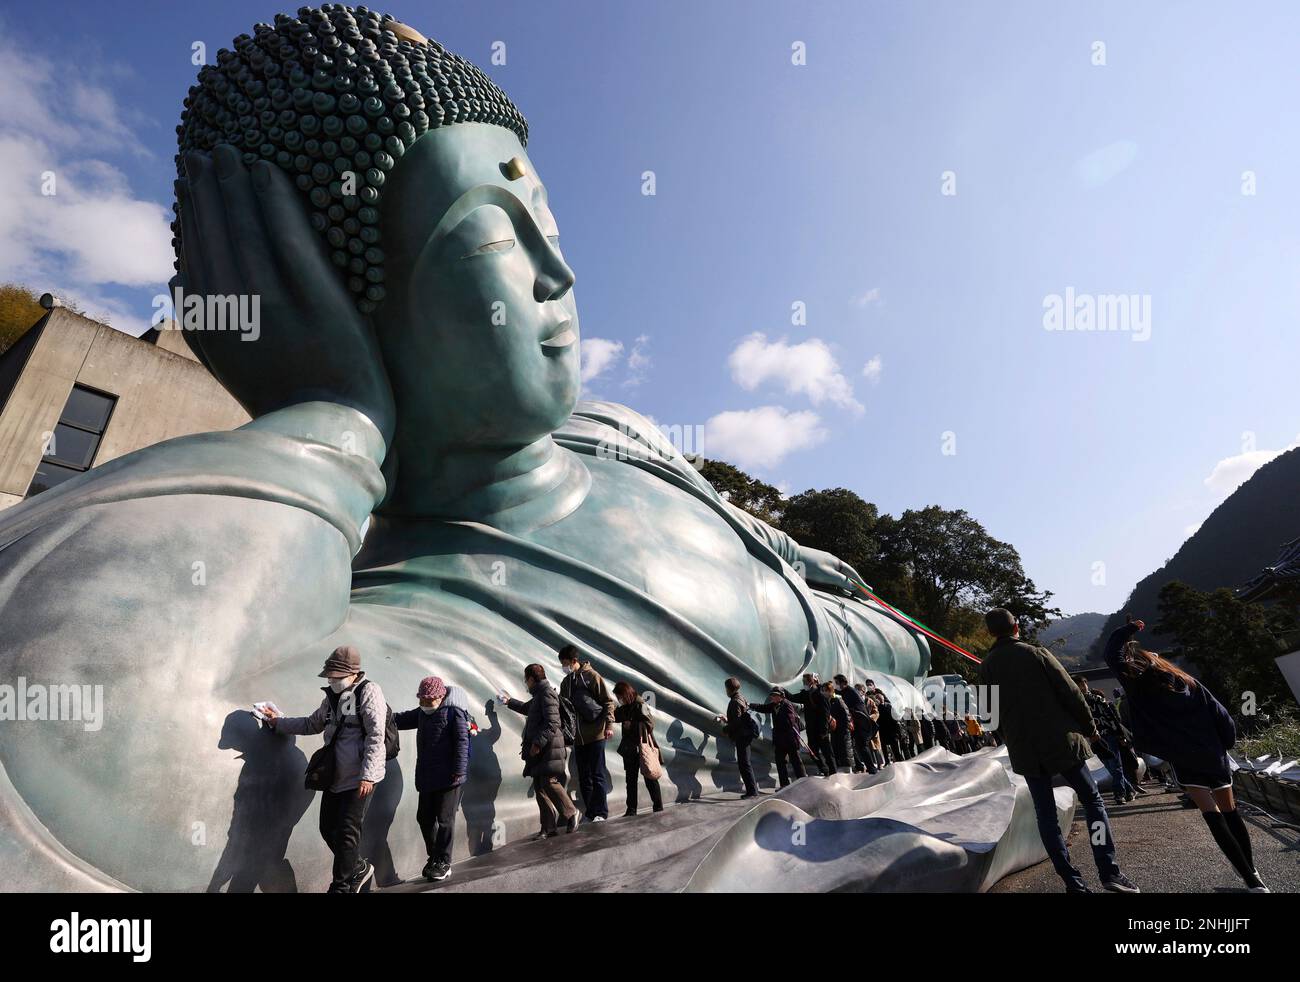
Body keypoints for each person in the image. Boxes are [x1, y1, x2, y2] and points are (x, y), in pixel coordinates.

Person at [979, 608, 1139, 894]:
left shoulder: (986, 667)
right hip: (1062, 742)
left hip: (1025, 752)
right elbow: (1072, 693)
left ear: (990, 633)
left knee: (1046, 817)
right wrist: (1090, 729)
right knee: (1092, 802)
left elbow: (989, 718)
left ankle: (1073, 882)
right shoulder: (1037, 654)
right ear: (1017, 626)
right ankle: (1109, 871)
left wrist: (1012, 738)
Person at [1105, 616, 1268, 892]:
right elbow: (1222, 715)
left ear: (1139, 668)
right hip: (1213, 754)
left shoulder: (1140, 688)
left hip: (1184, 757)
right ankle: (1253, 874)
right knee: (1230, 812)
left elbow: (1113, 654)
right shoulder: (1188, 682)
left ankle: (1252, 881)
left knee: (1212, 816)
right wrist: (1224, 745)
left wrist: (1130, 629)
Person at [260, 645, 388, 893]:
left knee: (348, 833)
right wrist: (277, 723)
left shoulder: (369, 691)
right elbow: (312, 723)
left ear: (354, 673)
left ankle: (340, 887)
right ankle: (359, 867)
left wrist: (369, 775)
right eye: (330, 676)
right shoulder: (332, 697)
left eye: (337, 676)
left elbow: (376, 735)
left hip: (360, 777)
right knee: (327, 828)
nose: (332, 680)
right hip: (335, 776)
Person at [392, 676, 468, 882]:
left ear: (440, 697)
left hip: (450, 777)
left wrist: (459, 771)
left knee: (445, 820)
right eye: (421, 701)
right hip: (427, 776)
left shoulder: (454, 713)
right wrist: (382, 714)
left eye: (429, 701)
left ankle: (443, 862)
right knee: (424, 817)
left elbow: (462, 741)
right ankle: (434, 857)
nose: (424, 705)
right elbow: (400, 719)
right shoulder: (422, 714)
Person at [501, 664, 578, 839]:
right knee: (539, 786)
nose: (525, 684)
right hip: (541, 749)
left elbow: (553, 723)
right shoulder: (539, 695)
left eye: (525, 680)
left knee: (549, 781)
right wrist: (509, 702)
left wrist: (537, 743)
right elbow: (527, 709)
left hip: (548, 747)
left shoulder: (547, 693)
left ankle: (571, 813)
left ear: (531, 679)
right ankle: (548, 827)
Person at [558, 645, 616, 823]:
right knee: (583, 777)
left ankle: (601, 812)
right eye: (562, 664)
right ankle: (590, 812)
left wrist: (609, 725)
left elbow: (608, 702)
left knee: (597, 774)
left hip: (596, 734)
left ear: (574, 661)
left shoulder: (592, 676)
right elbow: (564, 710)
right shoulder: (565, 683)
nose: (564, 667)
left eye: (566, 663)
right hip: (578, 738)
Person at [1074, 677, 1136, 805]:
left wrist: (1120, 735)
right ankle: (1129, 789)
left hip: (1109, 735)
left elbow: (1112, 718)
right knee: (1109, 767)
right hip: (1095, 738)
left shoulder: (1097, 699)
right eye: (1079, 684)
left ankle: (1119, 794)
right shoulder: (1076, 703)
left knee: (1115, 765)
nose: (1083, 686)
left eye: (1084, 683)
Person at [612, 682, 663, 815]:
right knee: (630, 779)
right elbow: (616, 716)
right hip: (629, 748)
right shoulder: (625, 706)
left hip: (642, 746)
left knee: (650, 777)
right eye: (618, 697)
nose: (619, 700)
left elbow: (650, 723)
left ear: (626, 694)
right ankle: (631, 809)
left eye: (620, 697)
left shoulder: (640, 704)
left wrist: (632, 725)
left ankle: (658, 806)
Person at [750, 686, 807, 787]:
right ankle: (784, 785)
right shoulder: (774, 705)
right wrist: (750, 705)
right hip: (780, 740)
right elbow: (763, 708)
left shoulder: (787, 705)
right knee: (780, 763)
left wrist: (777, 727)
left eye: (775, 695)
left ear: (781, 696)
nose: (772, 697)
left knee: (796, 761)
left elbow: (790, 721)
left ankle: (803, 783)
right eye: (772, 695)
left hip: (790, 739)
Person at [716, 677, 760, 798]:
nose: (725, 691)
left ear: (729, 689)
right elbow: (739, 718)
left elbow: (737, 722)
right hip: (745, 735)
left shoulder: (734, 701)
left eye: (726, 688)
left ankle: (752, 792)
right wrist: (727, 719)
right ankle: (752, 791)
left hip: (742, 736)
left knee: (744, 764)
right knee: (745, 763)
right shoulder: (741, 698)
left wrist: (725, 728)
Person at [787, 674, 837, 777]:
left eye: (805, 681)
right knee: (813, 751)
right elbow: (792, 697)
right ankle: (824, 770)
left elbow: (825, 714)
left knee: (827, 753)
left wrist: (824, 730)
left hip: (821, 730)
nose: (803, 683)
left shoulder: (819, 693)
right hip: (811, 729)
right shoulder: (806, 694)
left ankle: (833, 773)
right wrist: (782, 690)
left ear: (811, 682)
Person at [837, 675, 877, 774]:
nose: (835, 685)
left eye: (837, 683)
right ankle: (862, 766)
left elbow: (855, 708)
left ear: (842, 683)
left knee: (863, 747)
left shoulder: (850, 692)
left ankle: (872, 769)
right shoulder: (846, 692)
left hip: (862, 724)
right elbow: (837, 693)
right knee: (857, 746)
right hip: (858, 724)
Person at [821, 681, 855, 772]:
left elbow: (846, 714)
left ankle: (848, 770)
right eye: (823, 690)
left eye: (825, 690)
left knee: (845, 751)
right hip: (835, 730)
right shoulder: (828, 701)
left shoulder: (838, 700)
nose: (823, 692)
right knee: (836, 749)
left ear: (831, 691)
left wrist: (844, 728)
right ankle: (840, 769)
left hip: (842, 730)